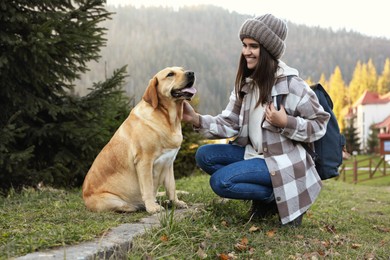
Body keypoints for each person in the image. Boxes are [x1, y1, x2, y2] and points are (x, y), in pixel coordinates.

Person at [182, 13, 330, 226]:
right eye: (244, 45)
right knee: (205, 155)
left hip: (281, 163)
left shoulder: (293, 85)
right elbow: (230, 122)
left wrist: (286, 122)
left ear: (269, 50)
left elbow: (319, 124)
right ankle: (268, 198)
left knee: (221, 182)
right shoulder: (247, 84)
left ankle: (276, 198)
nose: (246, 52)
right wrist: (196, 119)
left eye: (253, 46)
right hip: (254, 154)